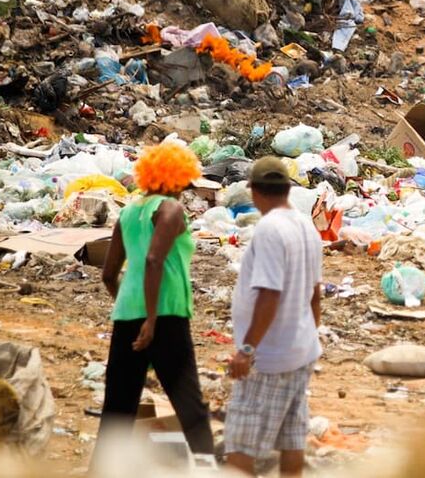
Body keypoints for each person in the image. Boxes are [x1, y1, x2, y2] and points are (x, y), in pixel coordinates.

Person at [94, 142, 214, 463]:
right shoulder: (171, 210)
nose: (184, 193)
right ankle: (209, 468)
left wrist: (132, 308)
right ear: (176, 180)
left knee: (118, 409)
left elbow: (108, 274)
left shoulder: (127, 213)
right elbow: (153, 260)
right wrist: (151, 319)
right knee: (190, 405)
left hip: (126, 315)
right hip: (166, 315)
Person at [225, 157, 322, 477]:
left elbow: (269, 294)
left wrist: (248, 350)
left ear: (254, 191)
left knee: (240, 445)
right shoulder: (305, 224)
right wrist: (307, 333)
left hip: (270, 358)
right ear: (286, 189)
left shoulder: (269, 228)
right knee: (291, 440)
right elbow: (314, 291)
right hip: (300, 351)